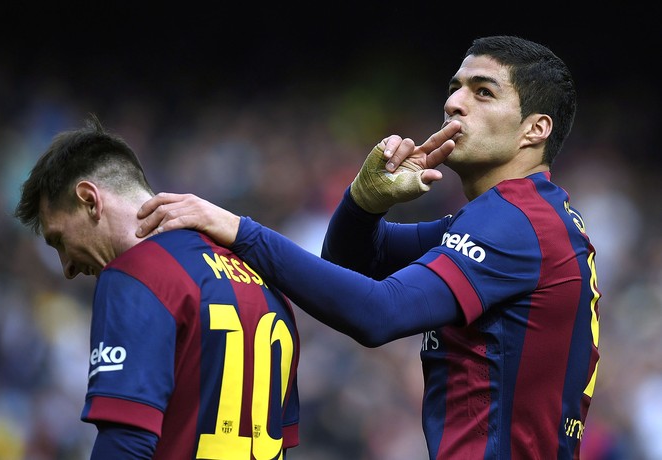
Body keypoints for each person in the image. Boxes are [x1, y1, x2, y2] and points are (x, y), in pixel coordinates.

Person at [135, 35, 602, 459]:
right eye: (455, 87)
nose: (454, 103)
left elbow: (378, 313)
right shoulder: (521, 218)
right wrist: (363, 203)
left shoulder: (517, 222)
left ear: (535, 129)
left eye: (483, 92)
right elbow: (354, 264)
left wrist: (238, 229)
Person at [13, 114, 301, 460]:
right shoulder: (264, 281)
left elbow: (126, 443)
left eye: (59, 240)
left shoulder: (133, 276)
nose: (68, 268)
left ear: (90, 200)